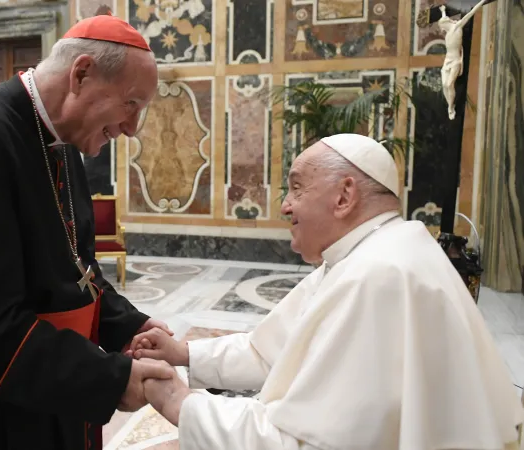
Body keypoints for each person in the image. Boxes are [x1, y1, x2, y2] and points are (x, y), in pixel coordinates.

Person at [129, 134, 524, 450]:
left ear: (344, 196)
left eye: (296, 188)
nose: (285, 206)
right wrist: (183, 353)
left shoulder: (377, 277)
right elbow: (270, 351)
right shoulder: (367, 253)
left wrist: (177, 400)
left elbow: (303, 442)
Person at [0, 13, 174, 450]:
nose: (131, 129)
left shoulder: (62, 141)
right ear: (81, 73)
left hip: (50, 397)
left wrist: (131, 327)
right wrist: (110, 380)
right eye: (131, 104)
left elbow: (75, 270)